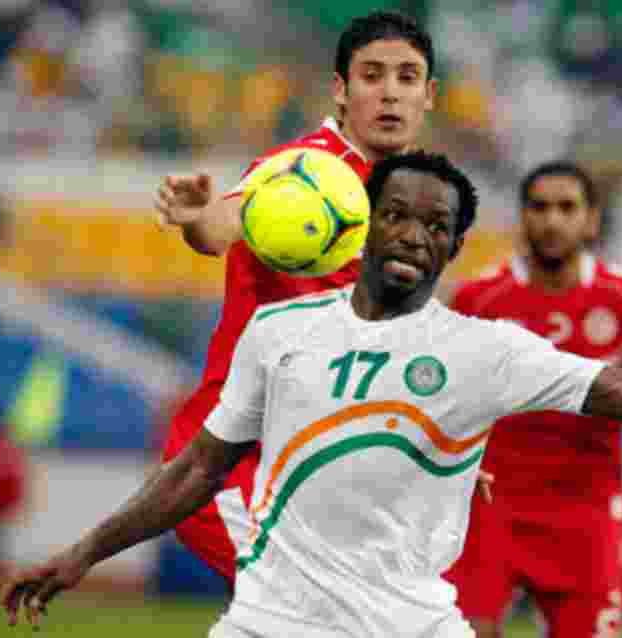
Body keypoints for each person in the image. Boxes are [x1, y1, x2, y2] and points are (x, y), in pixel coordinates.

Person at [2, 151, 622, 637]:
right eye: (399, 214)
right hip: (272, 623)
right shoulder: (281, 333)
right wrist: (81, 554)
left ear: (453, 248)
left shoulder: (481, 349)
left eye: (437, 226)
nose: (415, 234)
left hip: (409, 623)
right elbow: (196, 470)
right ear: (366, 223)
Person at [149, 11, 479, 582]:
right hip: (234, 468)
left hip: (323, 473)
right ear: (341, 90)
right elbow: (221, 229)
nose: (389, 93)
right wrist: (197, 218)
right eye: (372, 76)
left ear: (429, 96)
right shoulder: (302, 171)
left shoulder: (419, 197)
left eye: (406, 78)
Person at [444, 161, 622, 637]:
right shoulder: (478, 299)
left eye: (567, 208)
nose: (552, 220)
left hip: (586, 509)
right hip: (491, 503)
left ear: (591, 220)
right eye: (539, 207)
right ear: (522, 217)